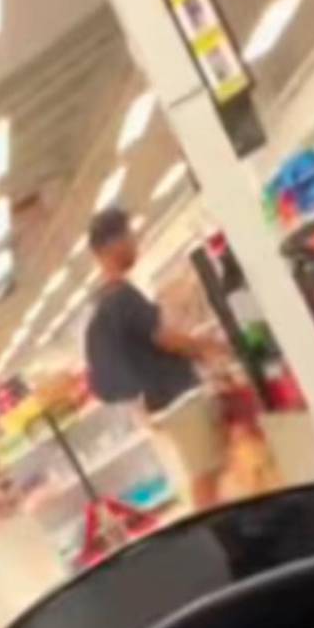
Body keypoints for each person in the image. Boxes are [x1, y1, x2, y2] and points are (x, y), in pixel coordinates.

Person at [84, 207, 226, 510]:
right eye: (130, 236)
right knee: (205, 476)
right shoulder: (123, 296)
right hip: (178, 397)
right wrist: (207, 346)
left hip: (162, 400)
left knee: (206, 472)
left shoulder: (106, 303)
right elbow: (166, 339)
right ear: (113, 245)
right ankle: (219, 541)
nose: (135, 242)